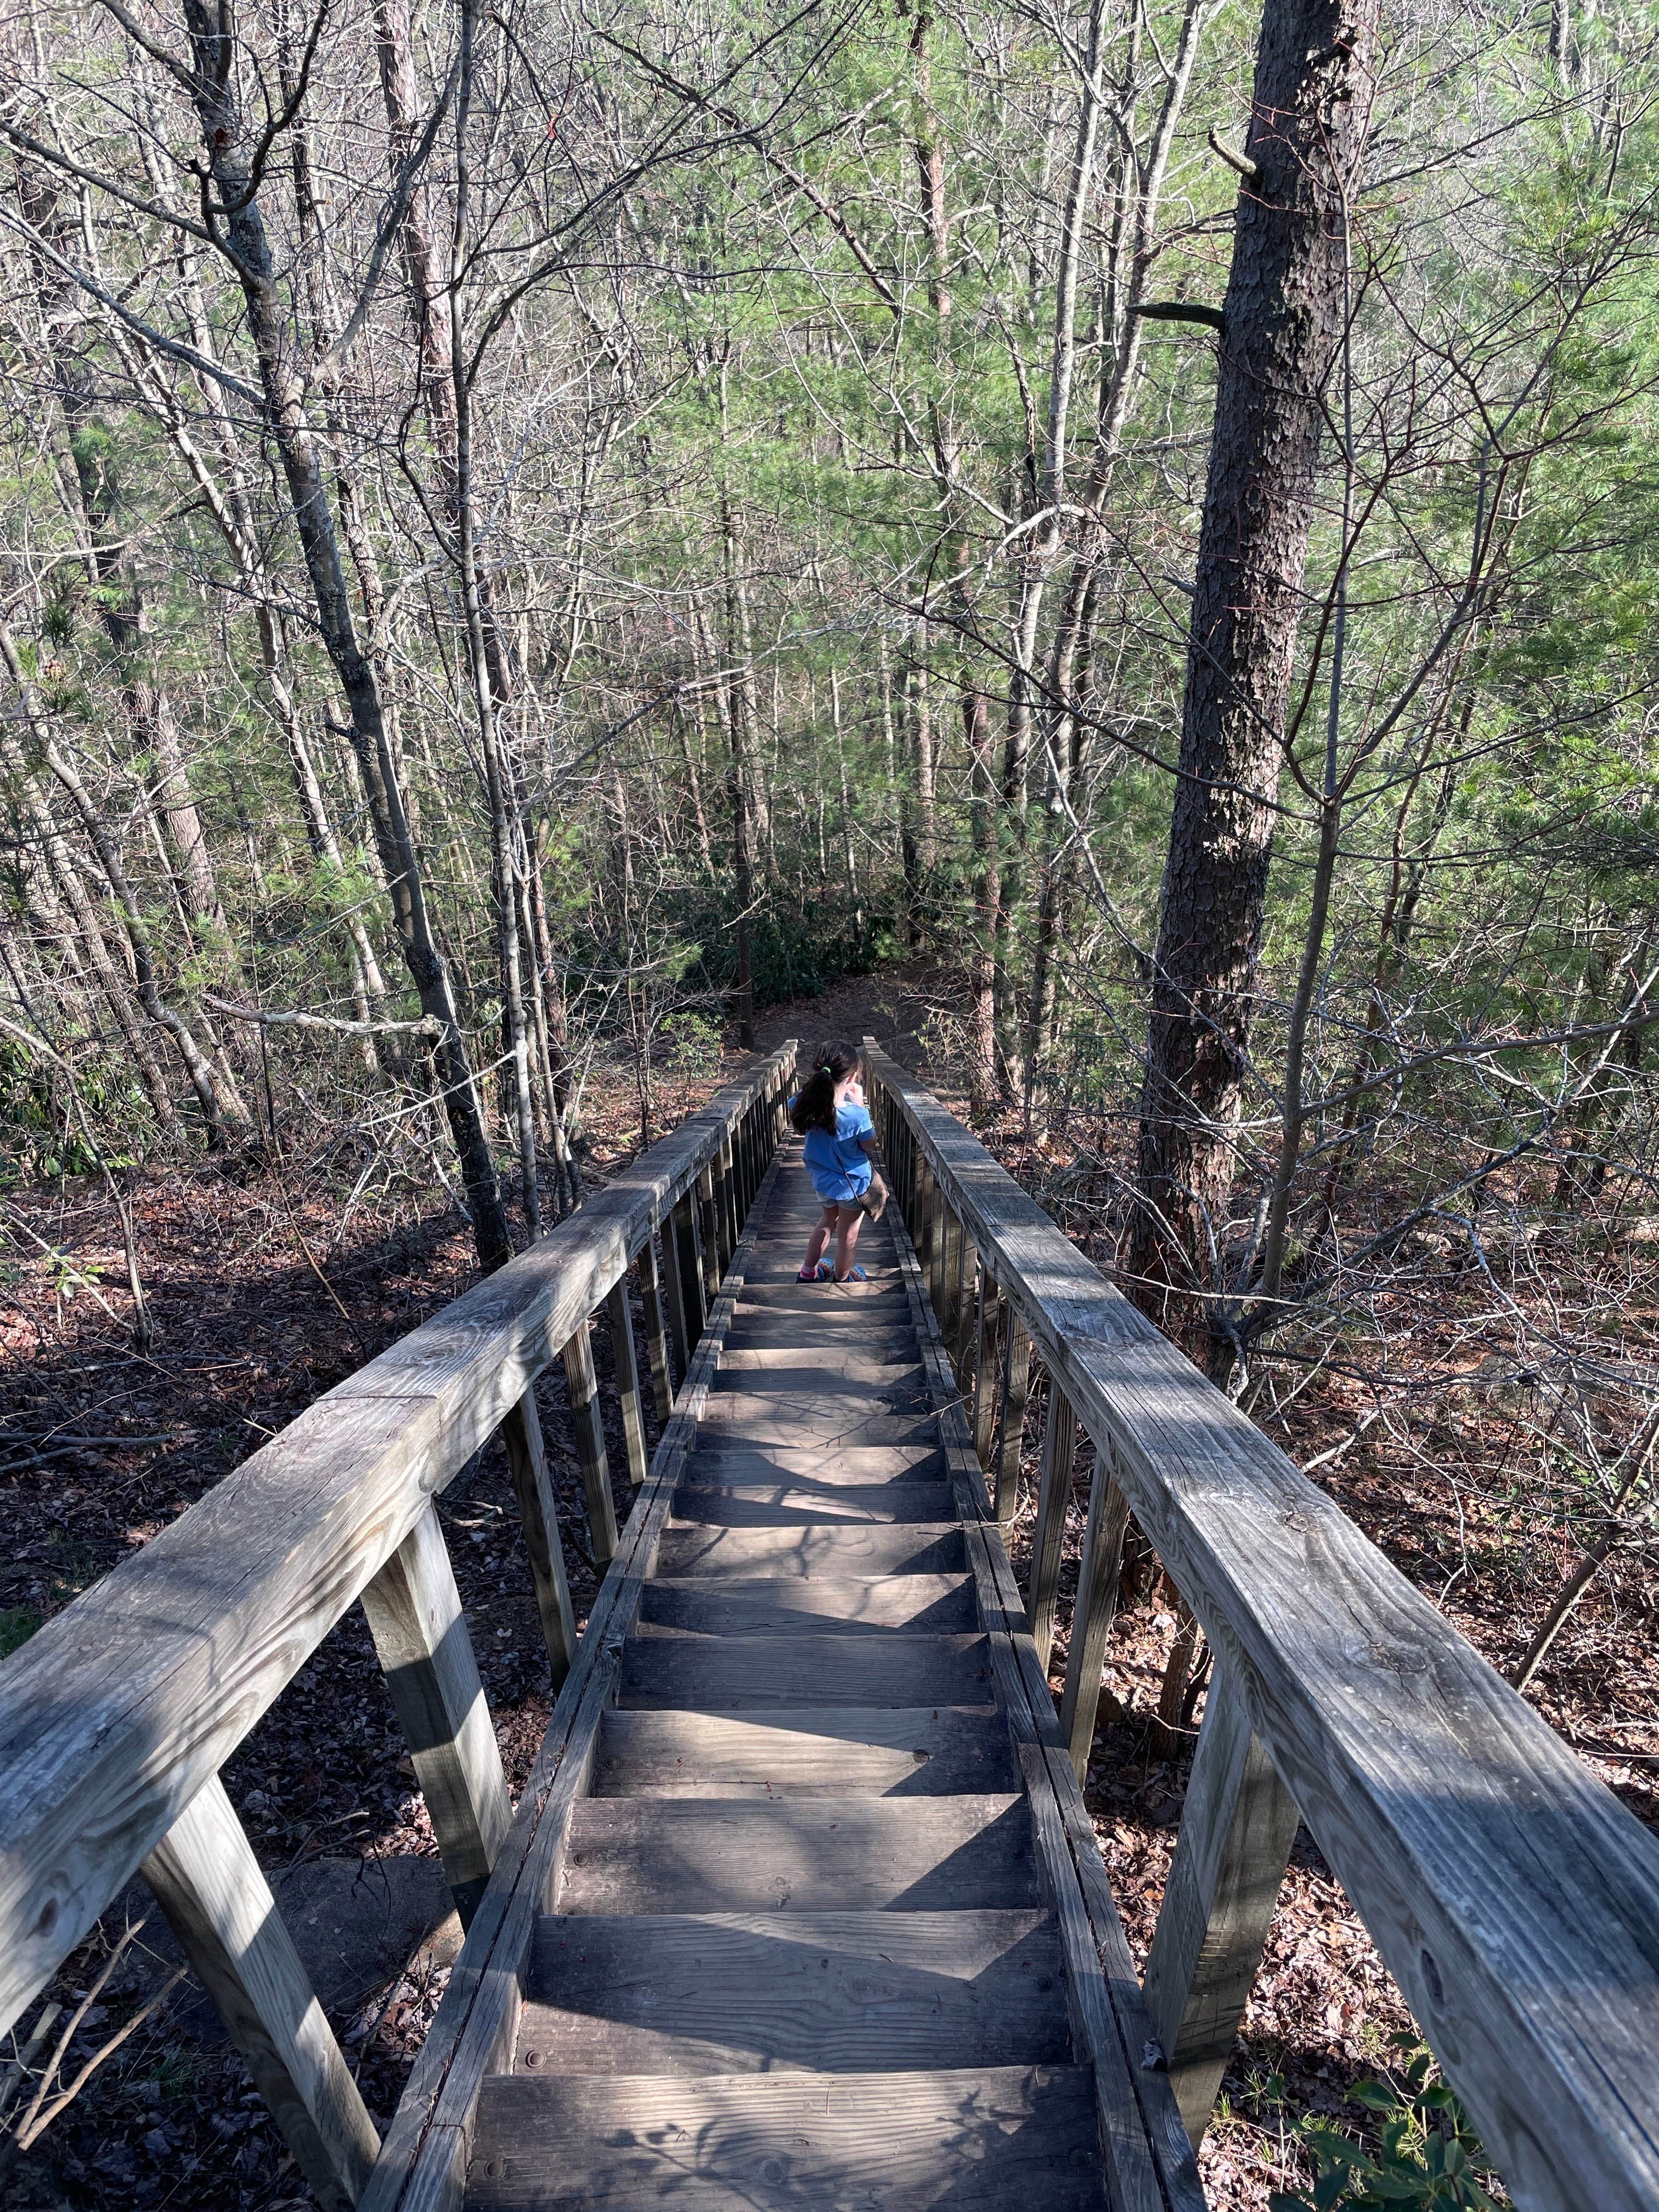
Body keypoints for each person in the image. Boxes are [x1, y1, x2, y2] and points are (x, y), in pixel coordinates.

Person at [788, 1043, 889, 1282]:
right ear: (852, 1077)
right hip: (852, 1186)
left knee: (826, 1222)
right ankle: (843, 1278)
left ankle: (808, 1272)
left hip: (822, 1182)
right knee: (848, 1234)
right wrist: (860, 1105)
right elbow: (869, 1145)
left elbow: (802, 1125)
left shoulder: (802, 1102)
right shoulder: (856, 1115)